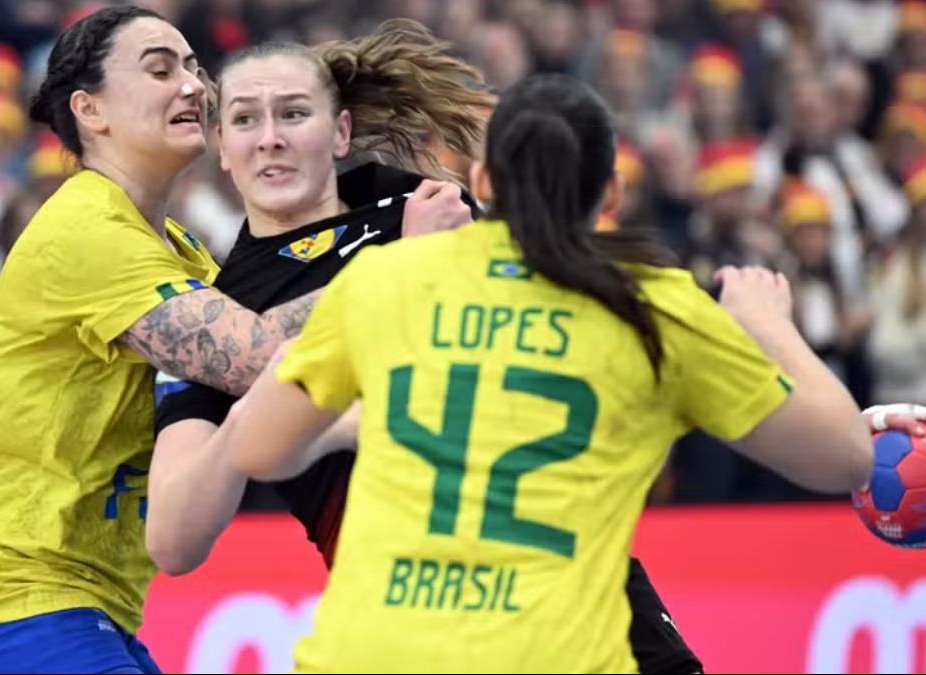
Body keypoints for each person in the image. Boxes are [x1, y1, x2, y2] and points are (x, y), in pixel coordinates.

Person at [213, 73, 878, 673]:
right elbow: (846, 457)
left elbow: (256, 447)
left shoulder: (387, 278)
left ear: (481, 184)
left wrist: (356, 419)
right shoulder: (653, 305)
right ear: (610, 191)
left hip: (365, 655)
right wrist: (770, 326)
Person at [0, 7, 466, 674]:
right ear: (92, 110)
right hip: (0, 600)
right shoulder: (86, 229)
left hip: (81, 604)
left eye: (195, 68)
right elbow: (256, 356)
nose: (195, 86)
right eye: (161, 69)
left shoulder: (185, 255)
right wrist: (401, 261)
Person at [143, 22, 721, 674]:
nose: (270, 136)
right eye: (245, 119)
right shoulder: (216, 318)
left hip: (569, 571)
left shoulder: (424, 204)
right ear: (221, 147)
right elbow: (171, 539)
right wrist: (268, 416)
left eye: (294, 113)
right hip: (414, 615)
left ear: (339, 133)